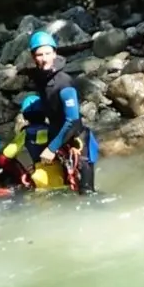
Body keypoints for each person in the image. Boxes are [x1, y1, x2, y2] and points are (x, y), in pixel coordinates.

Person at [26, 30, 98, 194]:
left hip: (77, 142)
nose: (44, 59)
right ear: (33, 57)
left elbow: (72, 120)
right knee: (62, 188)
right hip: (59, 139)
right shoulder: (40, 79)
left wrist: (51, 148)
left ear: (55, 53)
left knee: (86, 193)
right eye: (39, 55)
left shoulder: (64, 83)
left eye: (48, 53)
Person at [3, 94, 69, 190]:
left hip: (39, 176)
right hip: (60, 173)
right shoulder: (53, 130)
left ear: (25, 116)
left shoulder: (25, 133)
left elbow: (8, 153)